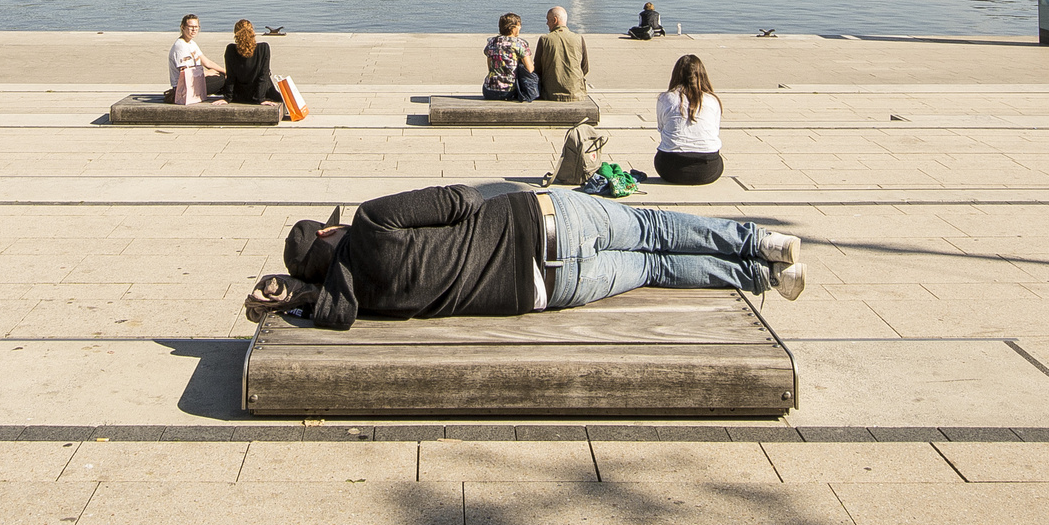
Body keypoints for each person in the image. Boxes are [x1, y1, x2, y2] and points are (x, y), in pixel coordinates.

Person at [243, 183, 806, 329]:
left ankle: (760, 279)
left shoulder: (356, 302)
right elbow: (458, 200)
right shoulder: (369, 221)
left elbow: (331, 314)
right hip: (541, 220)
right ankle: (762, 244)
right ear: (327, 233)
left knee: (653, 265)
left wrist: (301, 295)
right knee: (653, 225)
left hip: (546, 290)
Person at [655, 54, 725, 185]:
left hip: (670, 169)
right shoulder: (712, 100)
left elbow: (661, 128)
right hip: (707, 169)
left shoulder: (665, 98)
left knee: (661, 155)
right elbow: (714, 132)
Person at [533, 6, 589, 102]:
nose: (547, 23)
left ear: (555, 20)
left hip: (550, 94)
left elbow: (537, 69)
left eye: (548, 20)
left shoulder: (545, 39)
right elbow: (585, 68)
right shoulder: (579, 38)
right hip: (576, 93)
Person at [166, 14, 226, 102]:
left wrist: (226, 71)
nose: (194, 30)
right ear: (183, 27)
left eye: (196, 27)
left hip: (194, 82)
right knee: (222, 79)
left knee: (225, 76)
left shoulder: (191, 44)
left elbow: (207, 62)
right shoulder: (180, 46)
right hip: (185, 88)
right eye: (191, 27)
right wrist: (206, 73)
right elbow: (186, 73)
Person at [222, 19, 281, 104]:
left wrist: (227, 98)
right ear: (252, 32)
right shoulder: (263, 48)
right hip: (258, 94)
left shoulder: (230, 49)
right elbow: (263, 75)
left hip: (239, 95)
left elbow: (230, 76)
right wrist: (261, 98)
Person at [482, 13, 538, 102]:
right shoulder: (520, 44)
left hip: (489, 90)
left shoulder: (492, 42)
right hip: (509, 91)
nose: (520, 28)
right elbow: (530, 69)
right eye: (519, 26)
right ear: (513, 28)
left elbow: (490, 67)